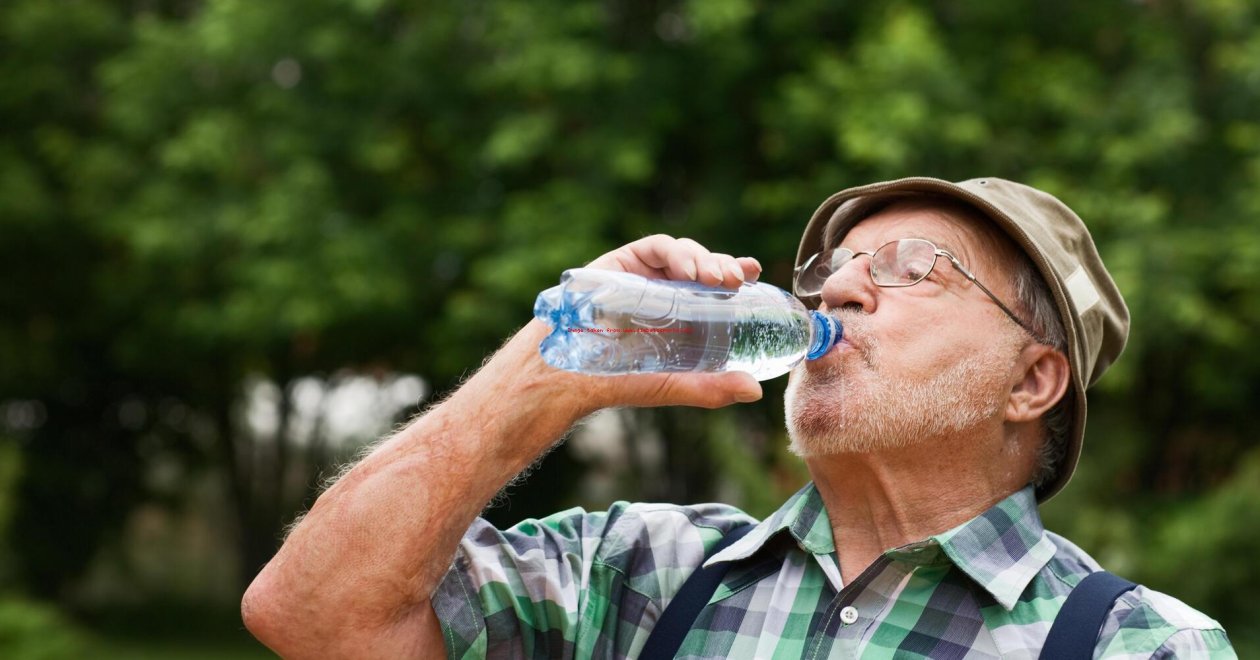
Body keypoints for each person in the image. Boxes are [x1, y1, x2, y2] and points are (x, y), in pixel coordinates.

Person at [241, 177, 1234, 658]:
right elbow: (314, 617)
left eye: (909, 270)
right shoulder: (637, 574)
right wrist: (550, 371)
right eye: (836, 268)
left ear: (1032, 383)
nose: (842, 289)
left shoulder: (1135, 647)